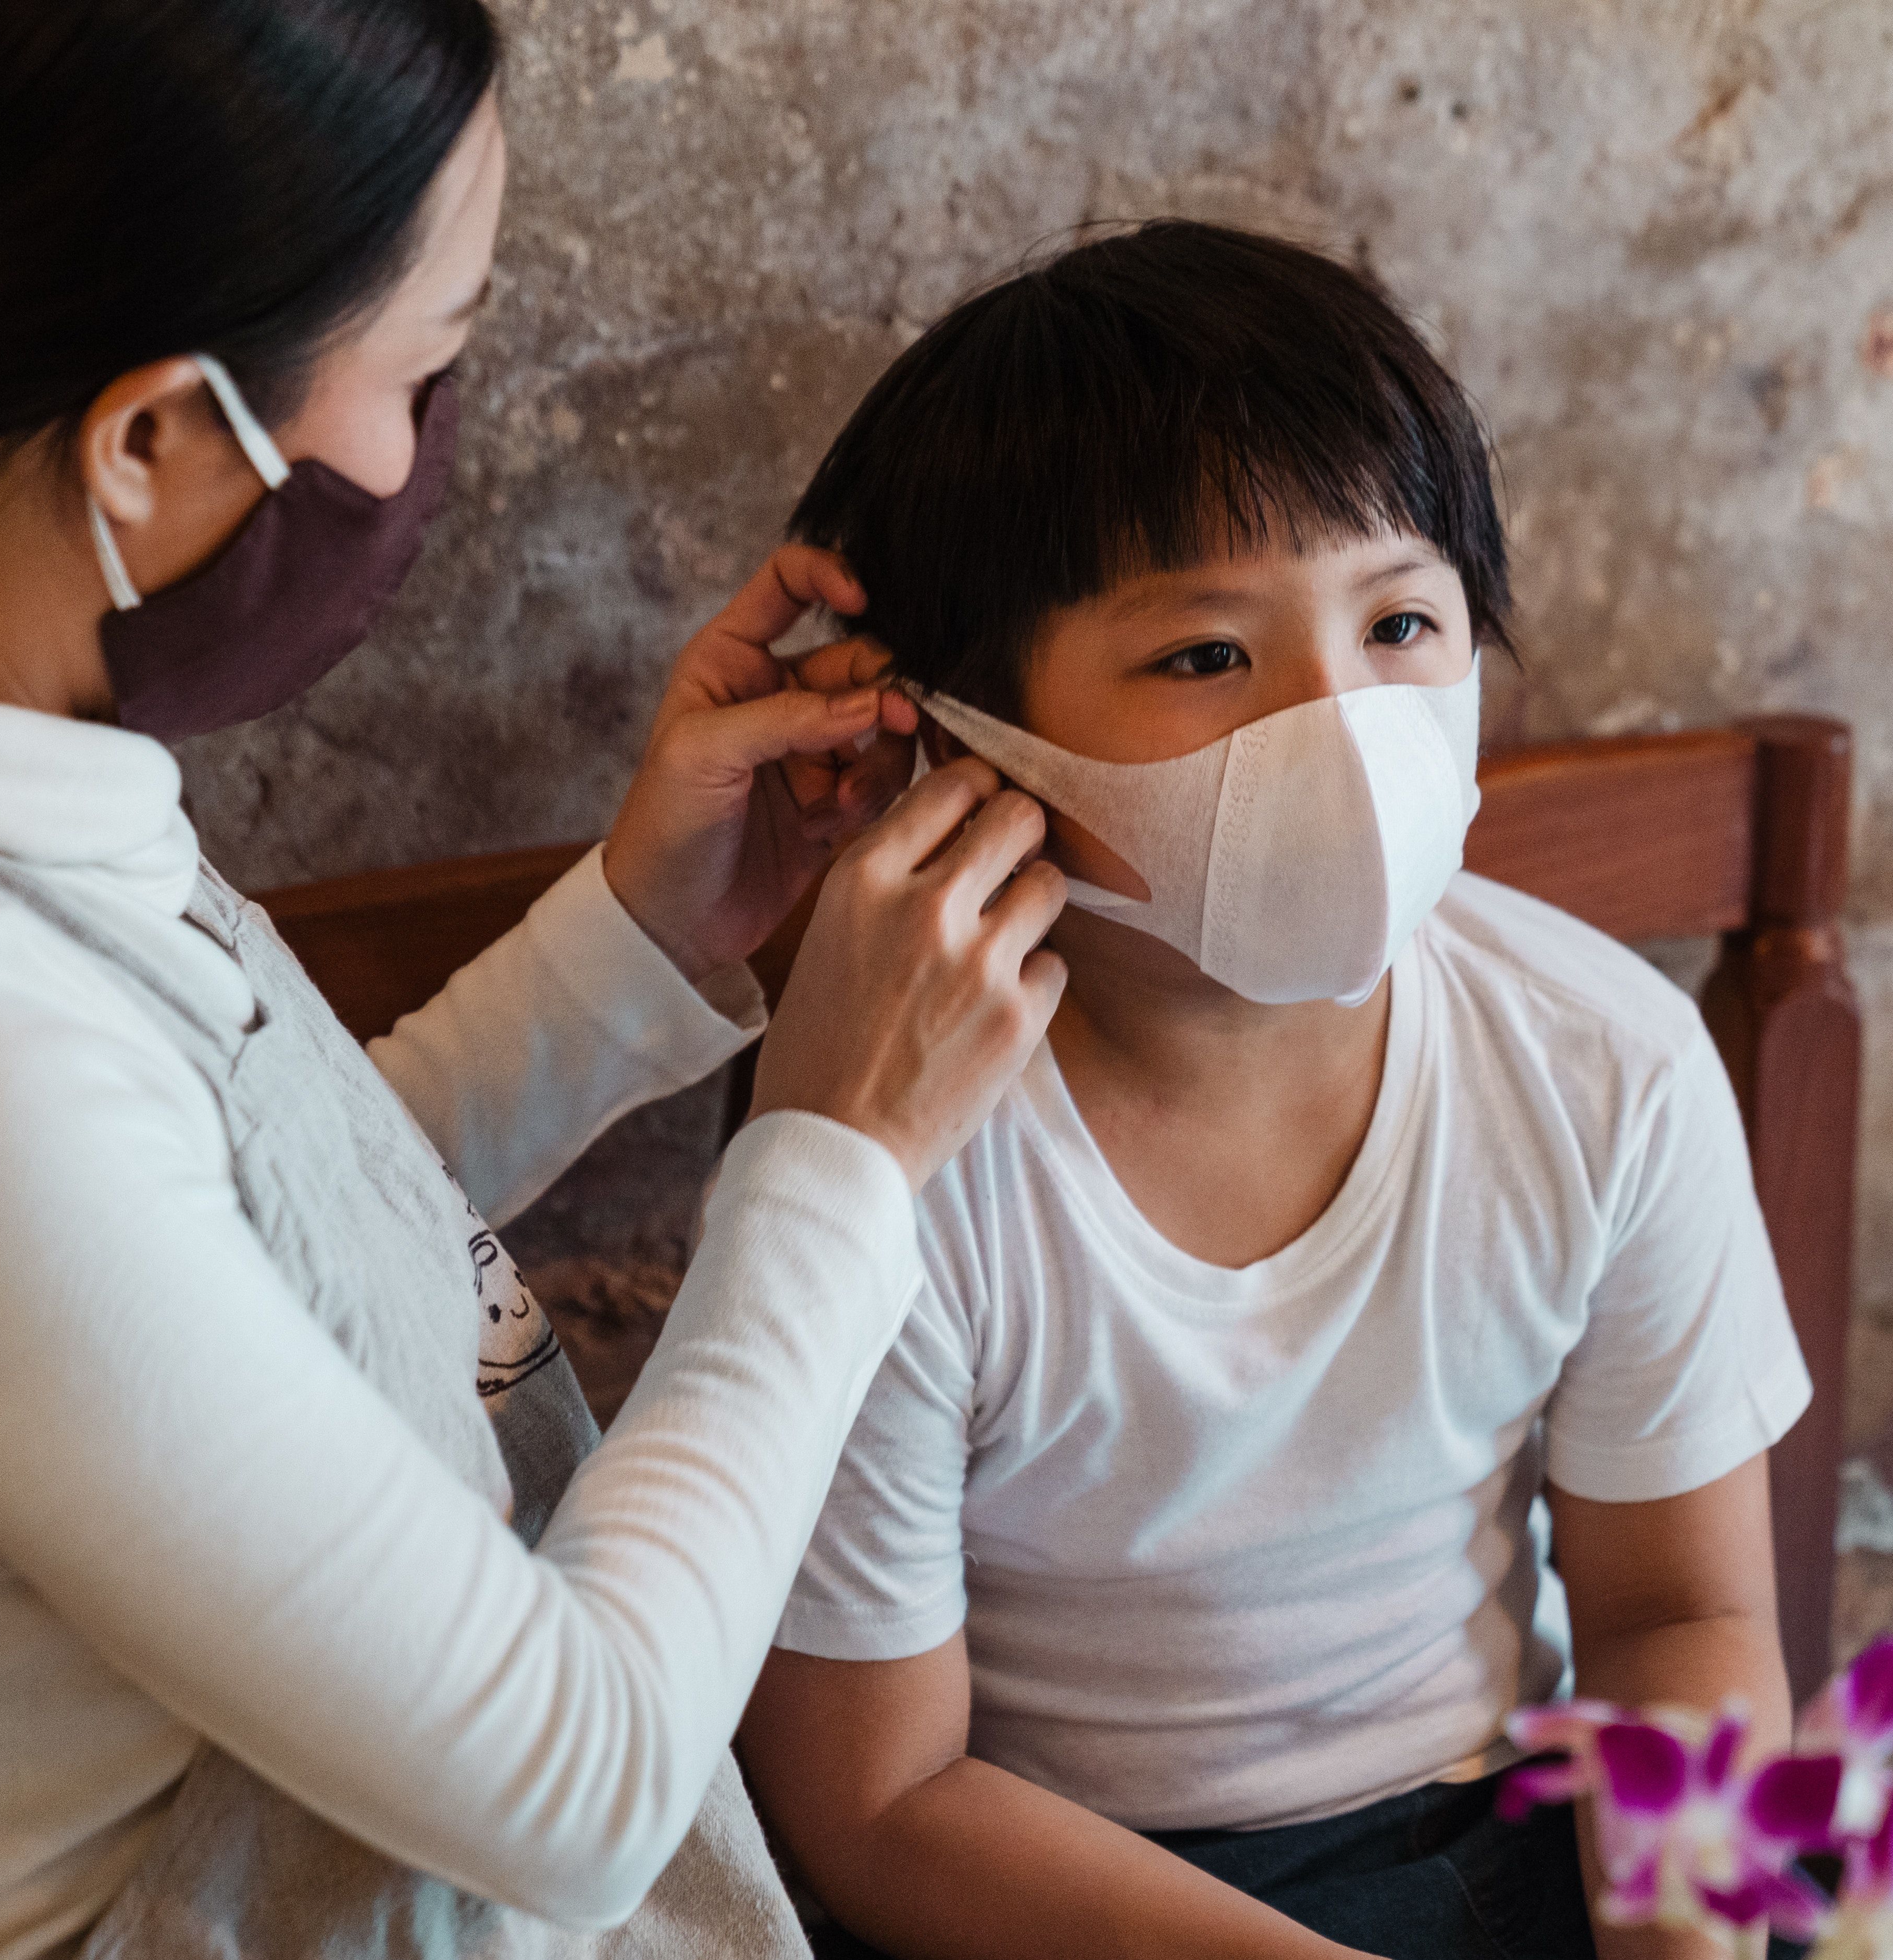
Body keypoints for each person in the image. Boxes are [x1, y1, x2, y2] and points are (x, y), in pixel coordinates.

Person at [0, 4, 1068, 1957]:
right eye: (427, 365)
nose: (424, 449)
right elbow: (580, 1783)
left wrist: (639, 936)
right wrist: (835, 1154)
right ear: (151, 442)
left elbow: (227, 1267)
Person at [737, 222, 1814, 1960]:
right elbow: (874, 1799)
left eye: (1399, 622)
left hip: (1517, 1834)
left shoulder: (1600, 1062)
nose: (1342, 723)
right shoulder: (890, 1149)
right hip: (1053, 1898)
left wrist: (1686, 1941)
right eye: (1204, 656)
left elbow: (1678, 1616)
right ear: (957, 735)